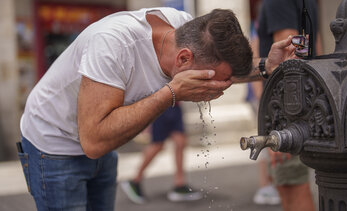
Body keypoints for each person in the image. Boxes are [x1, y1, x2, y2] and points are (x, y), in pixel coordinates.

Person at [17, 6, 296, 210]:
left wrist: (264, 67)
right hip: (53, 144)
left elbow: (221, 70)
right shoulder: (112, 46)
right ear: (184, 59)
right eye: (208, 81)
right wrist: (171, 94)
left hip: (102, 141)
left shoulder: (186, 32)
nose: (217, 90)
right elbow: (93, 140)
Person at [256, 0, 322, 210]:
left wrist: (281, 122)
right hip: (303, 105)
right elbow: (316, 52)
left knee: (292, 186)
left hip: (289, 111)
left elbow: (289, 60)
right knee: (290, 184)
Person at [122, 103, 202, 203]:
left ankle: (180, 185)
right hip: (161, 105)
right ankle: (135, 181)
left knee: (180, 142)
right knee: (157, 145)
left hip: (175, 105)